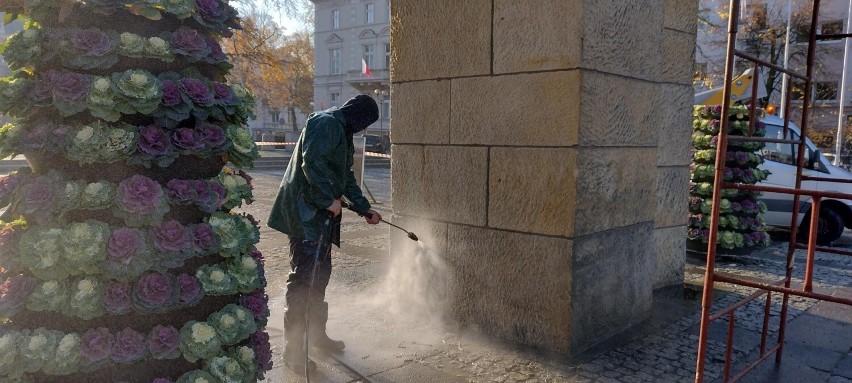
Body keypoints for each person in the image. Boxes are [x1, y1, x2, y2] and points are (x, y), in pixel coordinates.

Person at [267, 94, 382, 374]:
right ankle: (293, 352)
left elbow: (345, 178)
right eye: (365, 124)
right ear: (358, 116)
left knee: (319, 277)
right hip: (304, 216)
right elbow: (312, 165)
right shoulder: (326, 123)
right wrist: (326, 200)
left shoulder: (342, 130)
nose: (364, 130)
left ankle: (317, 336)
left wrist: (365, 208)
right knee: (303, 282)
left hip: (318, 218)